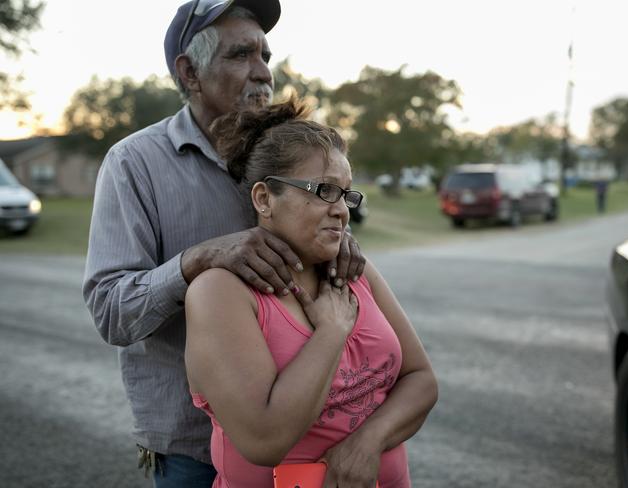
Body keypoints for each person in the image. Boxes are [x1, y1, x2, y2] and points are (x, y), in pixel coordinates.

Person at [82, 1, 364, 486]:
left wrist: (340, 242)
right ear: (189, 71)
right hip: (194, 451)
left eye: (265, 57)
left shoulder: (288, 154)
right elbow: (111, 312)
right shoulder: (133, 165)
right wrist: (197, 260)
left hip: (316, 434)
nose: (263, 74)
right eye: (241, 55)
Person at [184, 98, 438, 487]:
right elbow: (263, 439)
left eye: (347, 194)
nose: (342, 211)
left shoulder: (356, 271)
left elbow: (421, 380)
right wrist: (331, 332)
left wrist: (367, 443)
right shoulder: (220, 292)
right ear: (264, 199)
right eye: (324, 190)